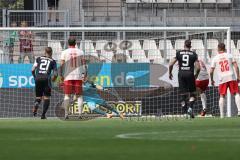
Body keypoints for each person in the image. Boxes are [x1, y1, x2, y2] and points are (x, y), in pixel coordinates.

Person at [169, 40, 200, 118]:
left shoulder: (179, 53)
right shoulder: (194, 54)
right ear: (190, 46)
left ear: (184, 45)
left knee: (183, 95)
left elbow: (170, 64)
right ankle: (190, 108)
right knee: (193, 94)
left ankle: (185, 112)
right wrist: (196, 74)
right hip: (190, 74)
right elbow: (198, 68)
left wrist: (170, 73)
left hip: (181, 74)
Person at [210, 43, 240, 118]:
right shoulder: (229, 55)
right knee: (236, 93)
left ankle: (222, 115)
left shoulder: (215, 58)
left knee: (222, 95)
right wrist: (238, 77)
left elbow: (211, 71)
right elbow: (236, 66)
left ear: (218, 49)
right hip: (231, 76)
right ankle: (239, 110)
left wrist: (212, 79)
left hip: (222, 78)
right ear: (224, 48)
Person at [60, 37, 86, 119]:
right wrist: (85, 74)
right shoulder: (81, 52)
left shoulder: (64, 52)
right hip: (78, 76)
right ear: (75, 43)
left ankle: (66, 114)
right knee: (79, 96)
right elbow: (84, 64)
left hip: (68, 76)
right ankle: (80, 114)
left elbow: (62, 65)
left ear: (68, 43)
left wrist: (61, 75)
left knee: (67, 95)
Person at [32, 47, 58, 119]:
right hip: (46, 79)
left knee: (38, 97)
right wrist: (53, 79)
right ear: (51, 52)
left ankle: (37, 103)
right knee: (46, 97)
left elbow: (32, 69)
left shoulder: (38, 58)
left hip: (38, 78)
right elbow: (55, 74)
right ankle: (43, 115)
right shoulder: (53, 61)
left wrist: (35, 77)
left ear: (44, 52)